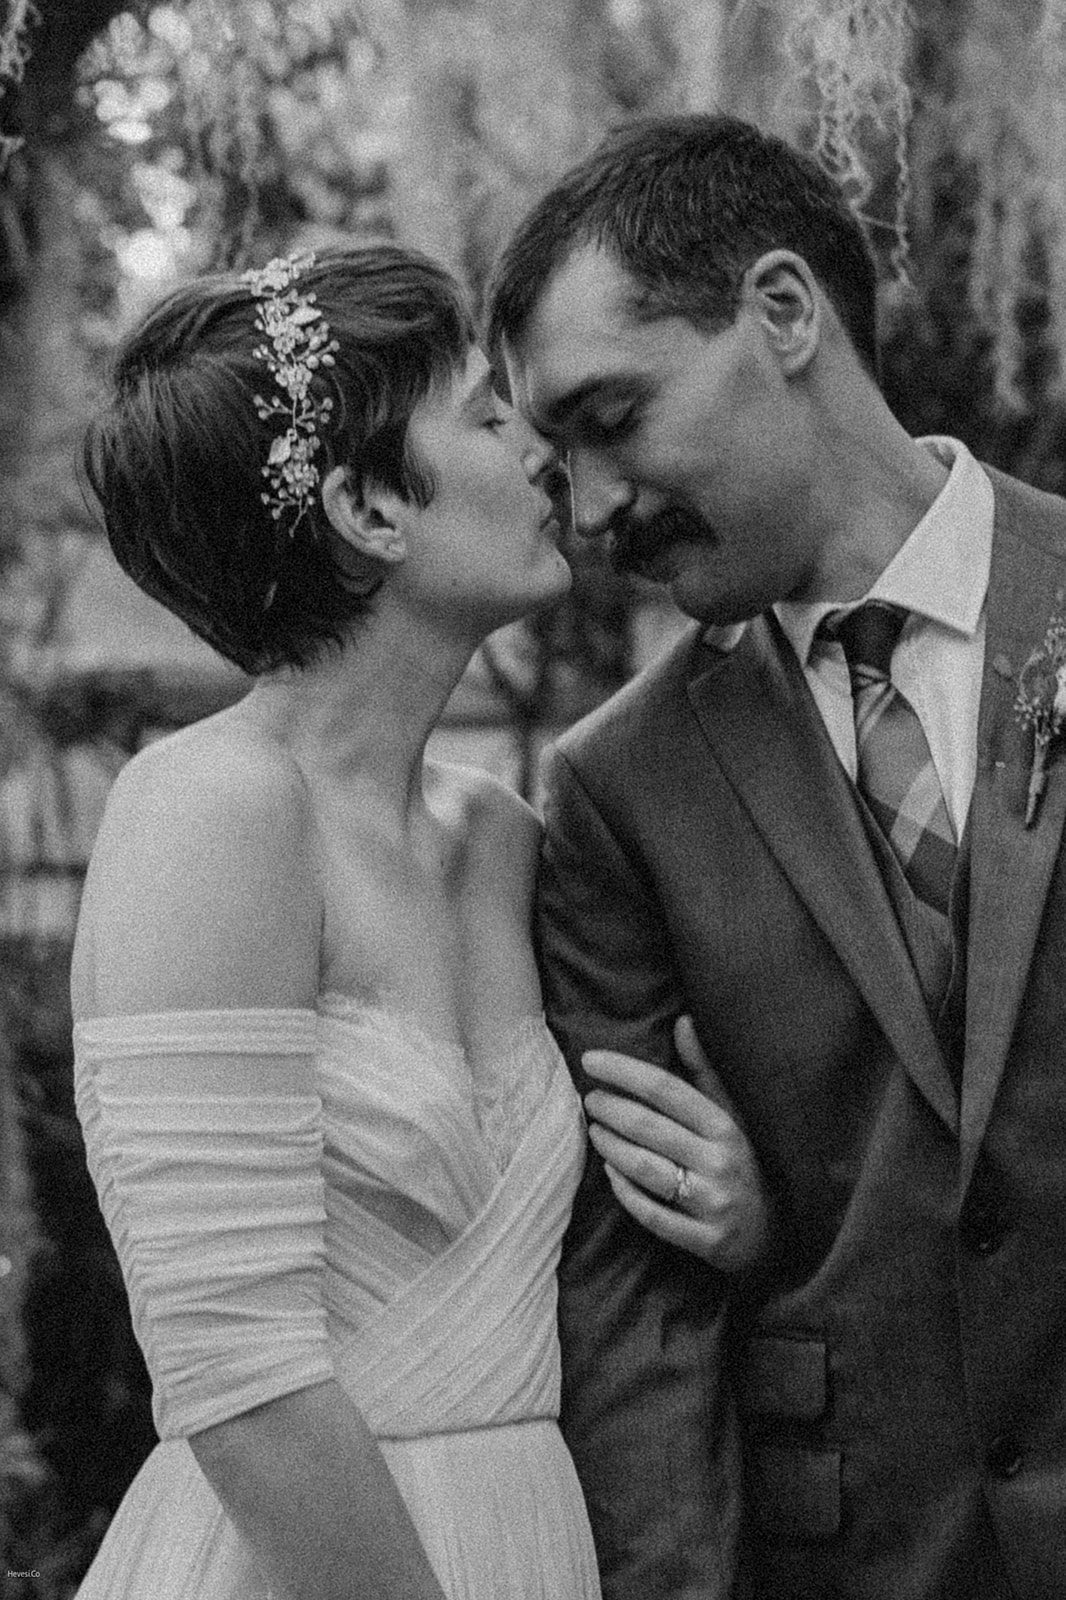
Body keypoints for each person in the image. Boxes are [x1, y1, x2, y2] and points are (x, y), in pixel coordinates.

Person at [70, 243, 767, 1600]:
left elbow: (575, 1262)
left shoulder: (504, 837)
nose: (543, 457)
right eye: (488, 418)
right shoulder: (209, 813)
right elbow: (239, 1380)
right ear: (367, 508)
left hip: (534, 1535)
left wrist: (733, 1217)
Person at [486, 110, 1066, 1600]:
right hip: (858, 1554)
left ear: (783, 313)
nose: (597, 513)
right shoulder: (613, 789)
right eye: (558, 468)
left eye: (611, 420)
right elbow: (638, 1317)